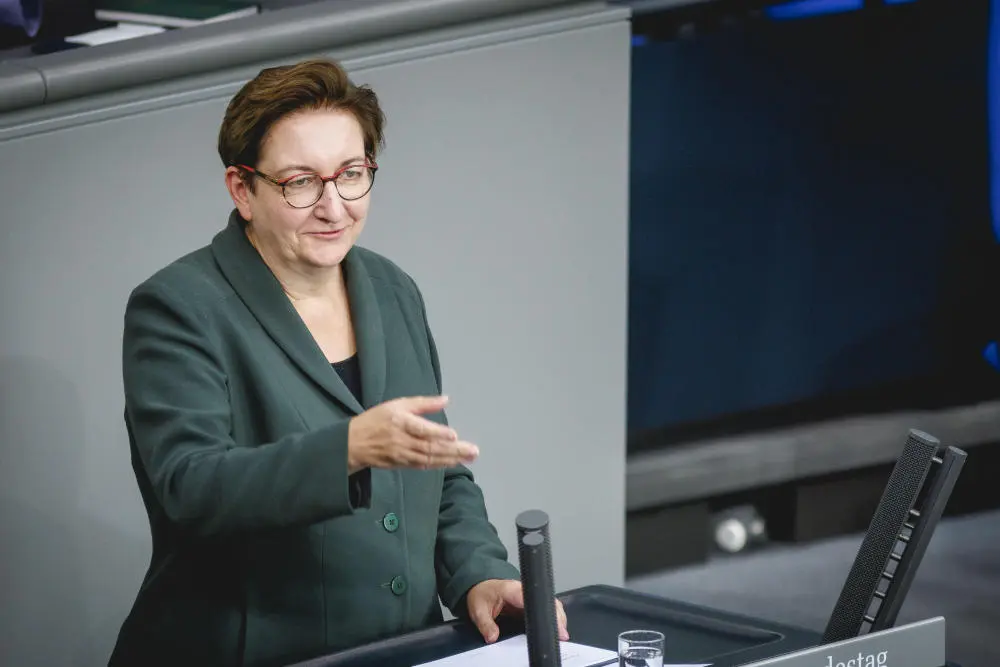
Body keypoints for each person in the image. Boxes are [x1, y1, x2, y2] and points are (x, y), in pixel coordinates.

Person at [109, 58, 568, 667]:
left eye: (351, 174)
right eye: (301, 182)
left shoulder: (390, 287)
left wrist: (477, 575)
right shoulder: (177, 307)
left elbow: (437, 473)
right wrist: (348, 448)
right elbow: (193, 489)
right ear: (242, 189)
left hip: (398, 648)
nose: (334, 207)